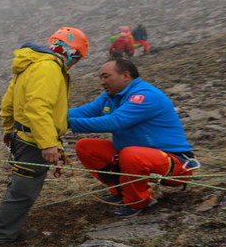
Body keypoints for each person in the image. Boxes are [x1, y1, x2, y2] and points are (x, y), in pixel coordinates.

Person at [0, 27, 89, 247]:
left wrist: (9, 129)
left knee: (23, 188)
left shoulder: (31, 64)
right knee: (23, 191)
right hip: (32, 141)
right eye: (78, 58)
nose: (75, 63)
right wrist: (48, 143)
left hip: (23, 137)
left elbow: (8, 102)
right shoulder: (49, 67)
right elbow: (38, 107)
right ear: (72, 52)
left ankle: (9, 230)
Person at [68, 59, 196, 217]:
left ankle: (137, 201)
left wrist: (65, 124)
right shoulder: (110, 96)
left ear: (126, 75)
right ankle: (120, 191)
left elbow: (115, 122)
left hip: (174, 164)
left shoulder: (145, 96)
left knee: (131, 154)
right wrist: (45, 117)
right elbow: (85, 111)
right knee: (86, 147)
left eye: (106, 76)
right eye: (101, 77)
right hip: (137, 160)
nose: (102, 81)